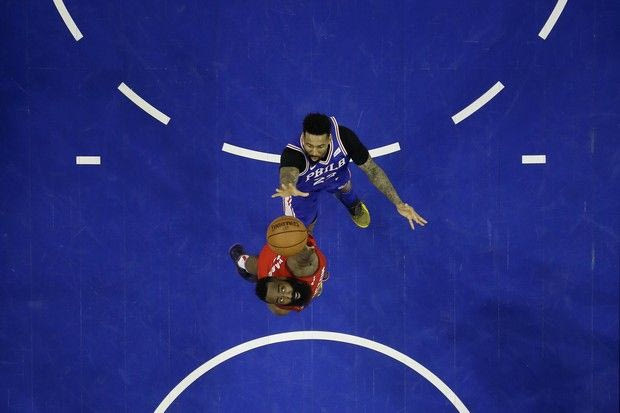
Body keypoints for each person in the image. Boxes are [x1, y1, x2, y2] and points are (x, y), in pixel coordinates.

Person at [272, 113, 427, 232]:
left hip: (335, 176)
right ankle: (308, 240)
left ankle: (353, 205)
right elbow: (288, 171)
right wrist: (288, 185)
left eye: (320, 147)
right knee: (304, 227)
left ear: (329, 140)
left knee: (345, 189)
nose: (314, 151)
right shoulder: (293, 153)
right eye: (309, 145)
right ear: (303, 137)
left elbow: (373, 170)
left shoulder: (345, 139)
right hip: (303, 190)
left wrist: (398, 203)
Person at [229, 234, 328, 316]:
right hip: (304, 278)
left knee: (254, 265)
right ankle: (317, 285)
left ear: (282, 278)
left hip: (274, 254)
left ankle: (241, 261)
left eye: (283, 289)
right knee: (279, 311)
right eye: (280, 299)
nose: (288, 296)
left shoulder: (296, 264)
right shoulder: (285, 303)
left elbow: (304, 231)